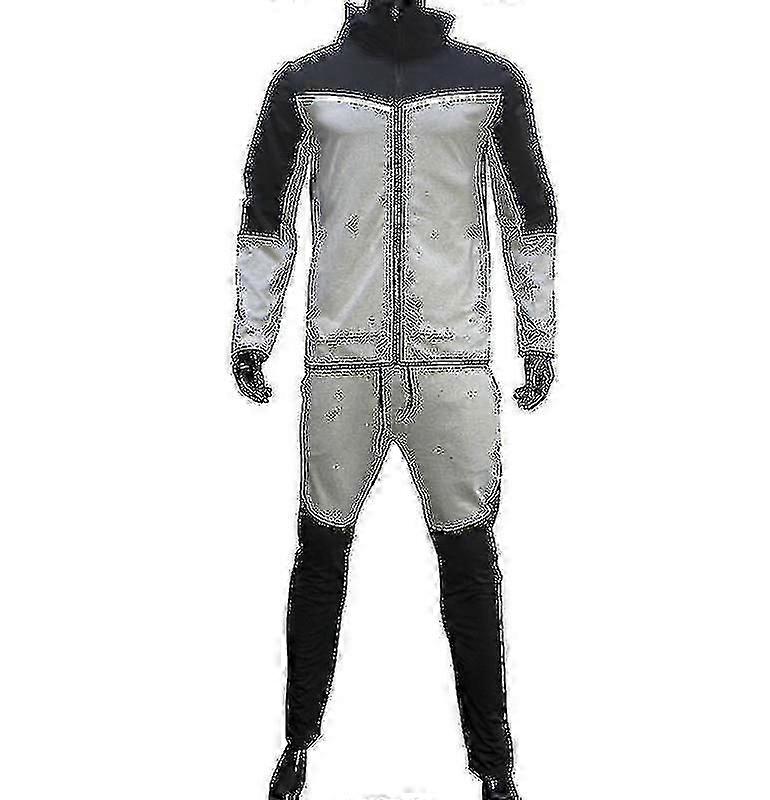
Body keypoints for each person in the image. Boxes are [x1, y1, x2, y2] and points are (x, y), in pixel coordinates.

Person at [230, 2, 557, 798]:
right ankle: (297, 746)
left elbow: (530, 214)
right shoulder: (304, 85)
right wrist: (252, 329)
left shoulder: (491, 84)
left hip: (452, 362)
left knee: (469, 562)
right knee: (320, 552)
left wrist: (538, 332)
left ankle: (496, 767)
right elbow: (266, 212)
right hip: (342, 361)